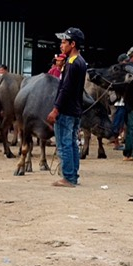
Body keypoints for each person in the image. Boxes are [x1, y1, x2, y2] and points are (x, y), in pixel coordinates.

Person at [47, 27, 87, 188]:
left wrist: (56, 109)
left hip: (66, 110)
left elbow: (66, 88)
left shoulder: (71, 63)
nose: (61, 45)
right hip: (76, 109)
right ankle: (73, 175)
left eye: (64, 42)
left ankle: (68, 178)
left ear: (73, 43)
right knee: (72, 143)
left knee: (64, 144)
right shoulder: (81, 61)